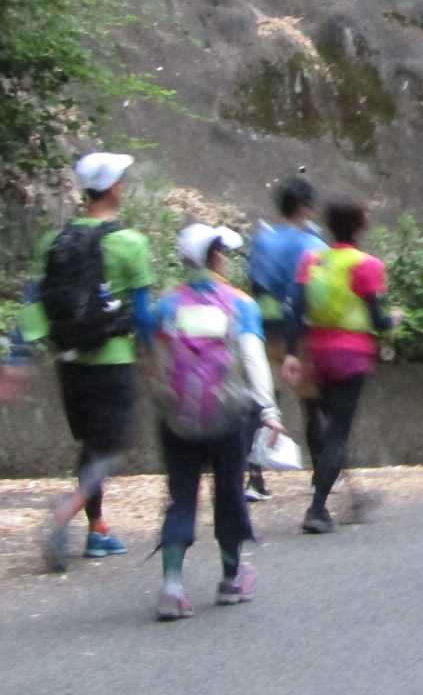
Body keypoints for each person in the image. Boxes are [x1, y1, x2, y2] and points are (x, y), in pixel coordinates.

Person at [0, 152, 158, 573]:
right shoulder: (130, 243)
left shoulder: (54, 241)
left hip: (70, 361)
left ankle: (97, 530)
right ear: (114, 187)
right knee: (112, 448)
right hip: (113, 359)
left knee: (90, 445)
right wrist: (154, 357)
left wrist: (17, 355)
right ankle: (66, 510)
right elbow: (142, 313)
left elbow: (33, 301)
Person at [148, 224, 283, 620]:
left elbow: (155, 362)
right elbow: (253, 359)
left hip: (177, 420)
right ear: (215, 257)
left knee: (181, 497)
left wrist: (168, 402)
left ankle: (172, 588)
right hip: (228, 416)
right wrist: (269, 410)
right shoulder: (240, 304)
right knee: (229, 493)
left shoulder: (165, 306)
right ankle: (231, 579)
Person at [281, 197, 403, 534]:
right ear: (360, 225)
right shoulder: (368, 265)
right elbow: (378, 320)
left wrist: (291, 353)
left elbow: (294, 310)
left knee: (324, 424)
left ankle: (340, 492)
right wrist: (394, 319)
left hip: (316, 353)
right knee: (338, 432)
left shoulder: (313, 259)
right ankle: (317, 509)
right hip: (351, 356)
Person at [246, 174, 328, 501]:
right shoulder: (314, 245)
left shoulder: (262, 241)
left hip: (266, 327)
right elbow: (319, 290)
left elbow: (256, 283)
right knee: (312, 405)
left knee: (266, 402)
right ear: (306, 207)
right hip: (302, 332)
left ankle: (254, 478)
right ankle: (321, 474)